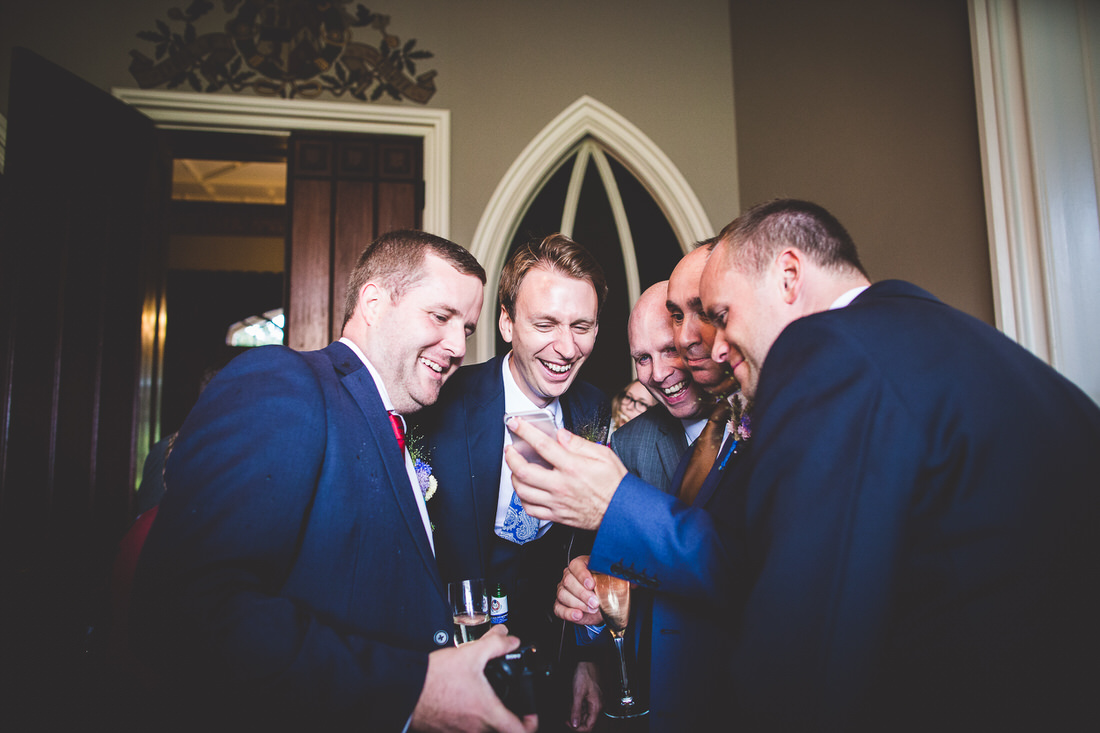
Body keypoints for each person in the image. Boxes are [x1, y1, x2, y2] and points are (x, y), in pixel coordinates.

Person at [506, 199, 1100, 730]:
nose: (711, 348)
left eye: (721, 313)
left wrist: (617, 503)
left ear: (789, 276)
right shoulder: (928, 331)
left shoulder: (829, 352)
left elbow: (802, 645)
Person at [130, 230, 536, 732]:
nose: (458, 346)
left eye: (468, 329)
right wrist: (411, 691)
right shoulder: (284, 383)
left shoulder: (400, 428)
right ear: (372, 302)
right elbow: (186, 610)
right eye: (440, 317)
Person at [413, 233, 611, 732]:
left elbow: (590, 547)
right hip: (452, 672)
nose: (566, 348)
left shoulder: (593, 409)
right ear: (506, 322)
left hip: (554, 671)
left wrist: (586, 660)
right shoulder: (441, 402)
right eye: (545, 323)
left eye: (582, 326)